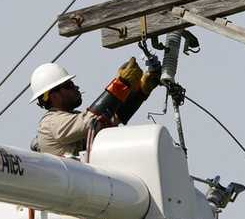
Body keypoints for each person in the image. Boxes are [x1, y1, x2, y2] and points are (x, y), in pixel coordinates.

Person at [29, 58, 160, 156]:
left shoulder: (71, 119)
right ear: (53, 96)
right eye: (69, 85)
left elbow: (112, 118)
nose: (76, 87)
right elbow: (90, 121)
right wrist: (121, 84)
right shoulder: (50, 122)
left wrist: (140, 92)